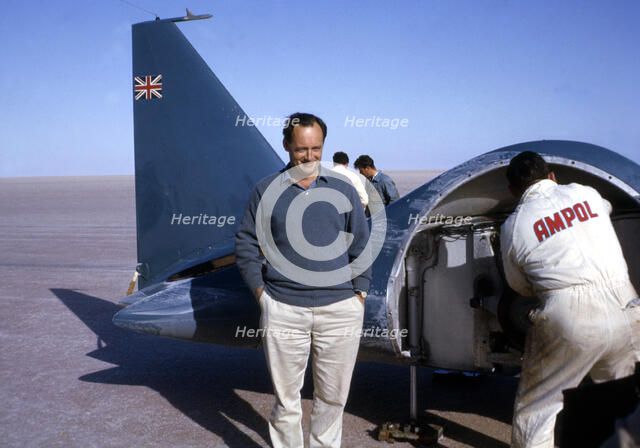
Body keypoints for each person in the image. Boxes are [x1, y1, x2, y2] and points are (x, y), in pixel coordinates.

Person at [235, 112, 371, 448]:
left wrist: (360, 293)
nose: (309, 157)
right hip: (283, 308)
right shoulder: (265, 190)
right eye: (300, 150)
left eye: (316, 149)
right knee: (286, 401)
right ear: (286, 146)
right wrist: (261, 293)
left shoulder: (343, 188)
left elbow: (363, 243)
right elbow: (246, 244)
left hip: (340, 309)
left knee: (332, 399)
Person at [500, 151, 640, 448]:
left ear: (513, 190)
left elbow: (519, 286)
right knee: (622, 398)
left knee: (539, 409)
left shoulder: (514, 225)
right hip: (626, 305)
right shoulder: (585, 192)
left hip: (570, 315)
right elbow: (606, 208)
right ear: (552, 176)